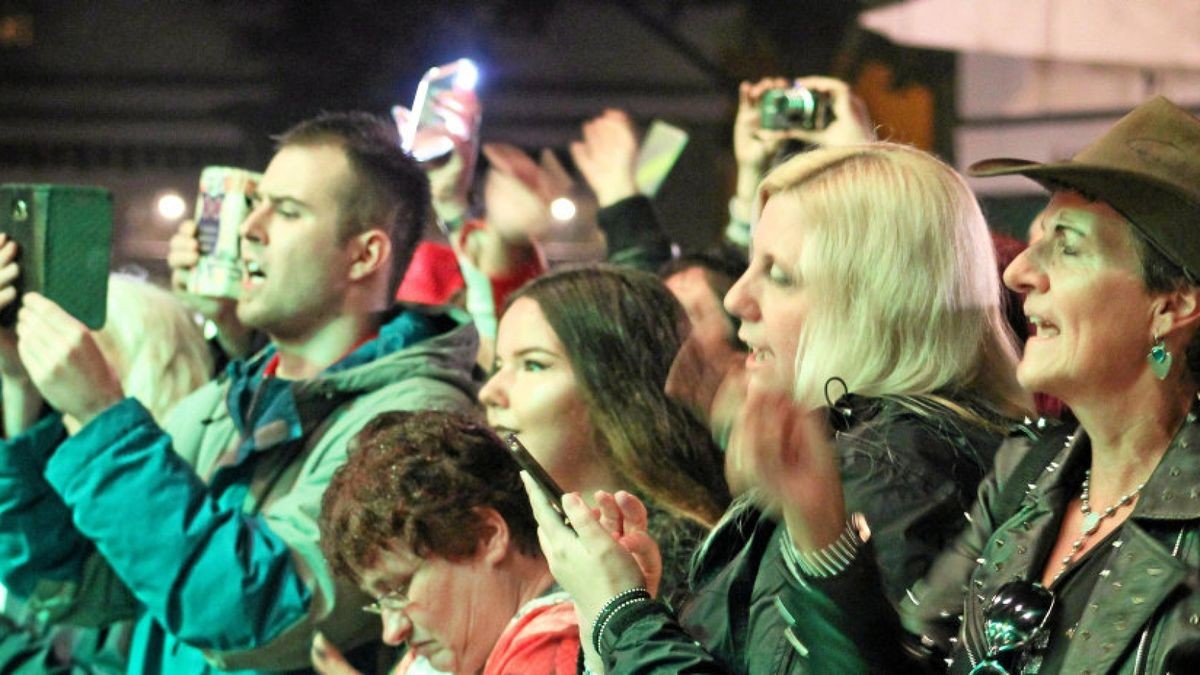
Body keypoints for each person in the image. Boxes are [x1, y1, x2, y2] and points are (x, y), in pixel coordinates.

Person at [525, 139, 1032, 674]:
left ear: (876, 305)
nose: (737, 298)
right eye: (751, 266)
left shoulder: (884, 471)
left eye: (780, 275)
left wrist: (620, 613)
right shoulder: (869, 454)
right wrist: (621, 615)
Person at [0, 111, 482, 674]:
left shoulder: (416, 424)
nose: (250, 229)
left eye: (287, 211)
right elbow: (78, 584)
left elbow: (259, 614)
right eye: (257, 203)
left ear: (365, 255)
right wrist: (21, 385)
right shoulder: (226, 404)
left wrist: (98, 414)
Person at [798, 95, 1200, 674]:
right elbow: (906, 663)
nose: (1017, 273)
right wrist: (818, 528)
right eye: (1036, 240)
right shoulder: (1030, 471)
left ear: (1172, 306)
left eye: (1068, 245)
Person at [479, 265, 730, 605]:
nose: (490, 391)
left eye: (533, 364)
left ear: (616, 384)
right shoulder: (535, 547)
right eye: (498, 366)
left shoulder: (683, 561)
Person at [0, 273, 213, 673]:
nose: (53, 371)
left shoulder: (160, 502)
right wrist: (18, 386)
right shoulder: (63, 479)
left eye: (76, 351)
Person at [310, 410, 579, 675]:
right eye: (381, 601)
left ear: (486, 535)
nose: (392, 633)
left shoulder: (553, 649)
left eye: (398, 590)